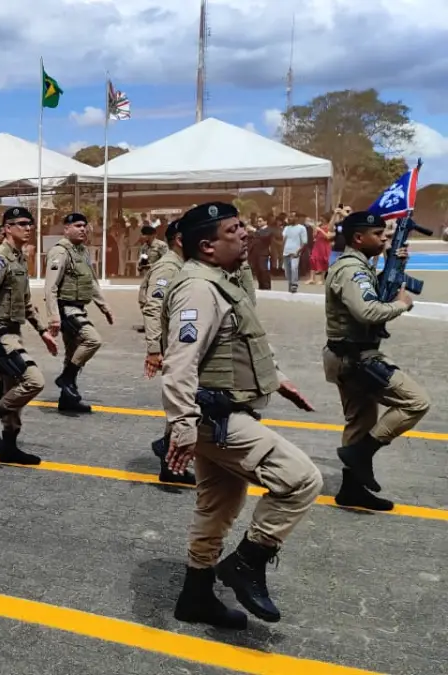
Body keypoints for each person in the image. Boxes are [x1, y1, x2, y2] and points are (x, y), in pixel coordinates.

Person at [162, 201, 323, 629]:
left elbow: (238, 347)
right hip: (215, 418)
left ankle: (195, 597)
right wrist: (181, 427)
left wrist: (278, 380)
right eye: (234, 229)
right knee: (302, 480)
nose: (246, 232)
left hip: (220, 412)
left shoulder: (221, 280)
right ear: (207, 247)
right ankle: (247, 563)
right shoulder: (198, 289)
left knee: (217, 508)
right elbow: (179, 362)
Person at [323, 210, 430, 512]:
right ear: (358, 238)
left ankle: (351, 489)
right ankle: (362, 454)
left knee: (360, 421)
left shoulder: (360, 267)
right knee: (416, 401)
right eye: (378, 234)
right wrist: (401, 304)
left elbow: (372, 293)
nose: (384, 238)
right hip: (357, 359)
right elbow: (368, 311)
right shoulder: (351, 270)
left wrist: (396, 265)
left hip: (348, 355)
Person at [0, 207, 57, 465]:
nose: (27, 228)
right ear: (7, 228)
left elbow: (26, 302)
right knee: (33, 380)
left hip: (13, 332)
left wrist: (43, 331)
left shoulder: (19, 258)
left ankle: (9, 447)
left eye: (29, 223)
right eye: (20, 223)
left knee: (12, 389)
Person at [140, 220, 194, 484]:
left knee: (187, 402)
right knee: (185, 402)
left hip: (184, 342)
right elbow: (152, 307)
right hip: (174, 345)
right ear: (181, 239)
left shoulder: (184, 265)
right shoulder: (169, 267)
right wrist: (153, 349)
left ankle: (170, 456)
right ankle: (168, 452)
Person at [43, 213, 113, 413]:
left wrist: (104, 307)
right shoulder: (60, 252)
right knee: (92, 340)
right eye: (77, 225)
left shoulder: (82, 251)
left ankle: (67, 400)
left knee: (72, 354)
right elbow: (51, 287)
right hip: (66, 309)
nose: (83, 229)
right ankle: (66, 379)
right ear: (66, 229)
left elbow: (91, 282)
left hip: (78, 307)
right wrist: (54, 317)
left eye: (85, 226)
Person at [135, 225, 167, 332]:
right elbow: (143, 259)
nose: (143, 237)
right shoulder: (144, 247)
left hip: (158, 277)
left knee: (156, 301)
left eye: (146, 235)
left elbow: (166, 262)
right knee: (142, 299)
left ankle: (158, 325)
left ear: (153, 235)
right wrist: (140, 266)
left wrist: (152, 266)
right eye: (143, 234)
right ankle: (148, 324)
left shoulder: (161, 246)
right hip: (147, 276)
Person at [281, 217, 308, 293]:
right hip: (286, 251)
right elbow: (284, 239)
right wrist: (282, 250)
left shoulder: (301, 228)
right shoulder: (286, 228)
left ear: (296, 218)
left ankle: (294, 284)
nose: (290, 219)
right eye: (289, 217)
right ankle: (290, 283)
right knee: (287, 271)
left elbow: (304, 242)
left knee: (294, 268)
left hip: (295, 251)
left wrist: (298, 251)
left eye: (292, 217)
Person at [308, 217, 332, 284]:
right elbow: (314, 236)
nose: (321, 220)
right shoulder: (319, 226)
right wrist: (314, 229)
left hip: (324, 245)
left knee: (324, 261)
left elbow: (328, 237)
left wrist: (321, 230)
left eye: (322, 219)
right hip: (317, 245)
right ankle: (312, 278)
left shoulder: (329, 226)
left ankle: (322, 279)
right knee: (313, 259)